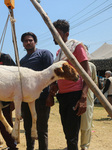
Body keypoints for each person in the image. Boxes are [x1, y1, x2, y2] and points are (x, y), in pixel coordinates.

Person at [50, 19, 91, 150]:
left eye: (57, 33)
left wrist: (83, 97)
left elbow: (87, 72)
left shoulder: (76, 46)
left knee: (72, 133)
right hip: (62, 96)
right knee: (67, 130)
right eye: (52, 32)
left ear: (66, 34)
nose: (54, 36)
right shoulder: (59, 52)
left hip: (75, 94)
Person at [20, 32, 54, 150]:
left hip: (42, 98)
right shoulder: (22, 61)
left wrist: (51, 95)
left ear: (35, 41)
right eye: (25, 41)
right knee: (28, 127)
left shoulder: (44, 54)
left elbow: (51, 76)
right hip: (27, 99)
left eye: (30, 40)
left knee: (41, 128)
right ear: (23, 44)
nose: (28, 42)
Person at [80, 61, 98, 150]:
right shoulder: (69, 63)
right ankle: (72, 144)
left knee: (85, 123)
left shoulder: (91, 66)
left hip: (87, 96)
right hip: (71, 96)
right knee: (71, 123)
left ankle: (84, 146)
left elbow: (94, 82)